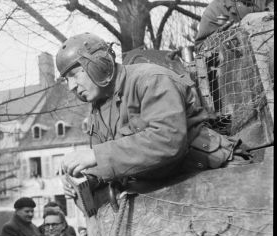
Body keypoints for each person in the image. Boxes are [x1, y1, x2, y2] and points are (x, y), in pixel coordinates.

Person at [56, 33, 238, 188]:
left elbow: (168, 141)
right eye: (66, 79)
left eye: (74, 75)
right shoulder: (99, 109)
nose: (71, 86)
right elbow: (112, 162)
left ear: (98, 64)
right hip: (161, 187)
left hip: (208, 175)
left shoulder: (151, 79)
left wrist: (96, 156)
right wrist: (86, 178)